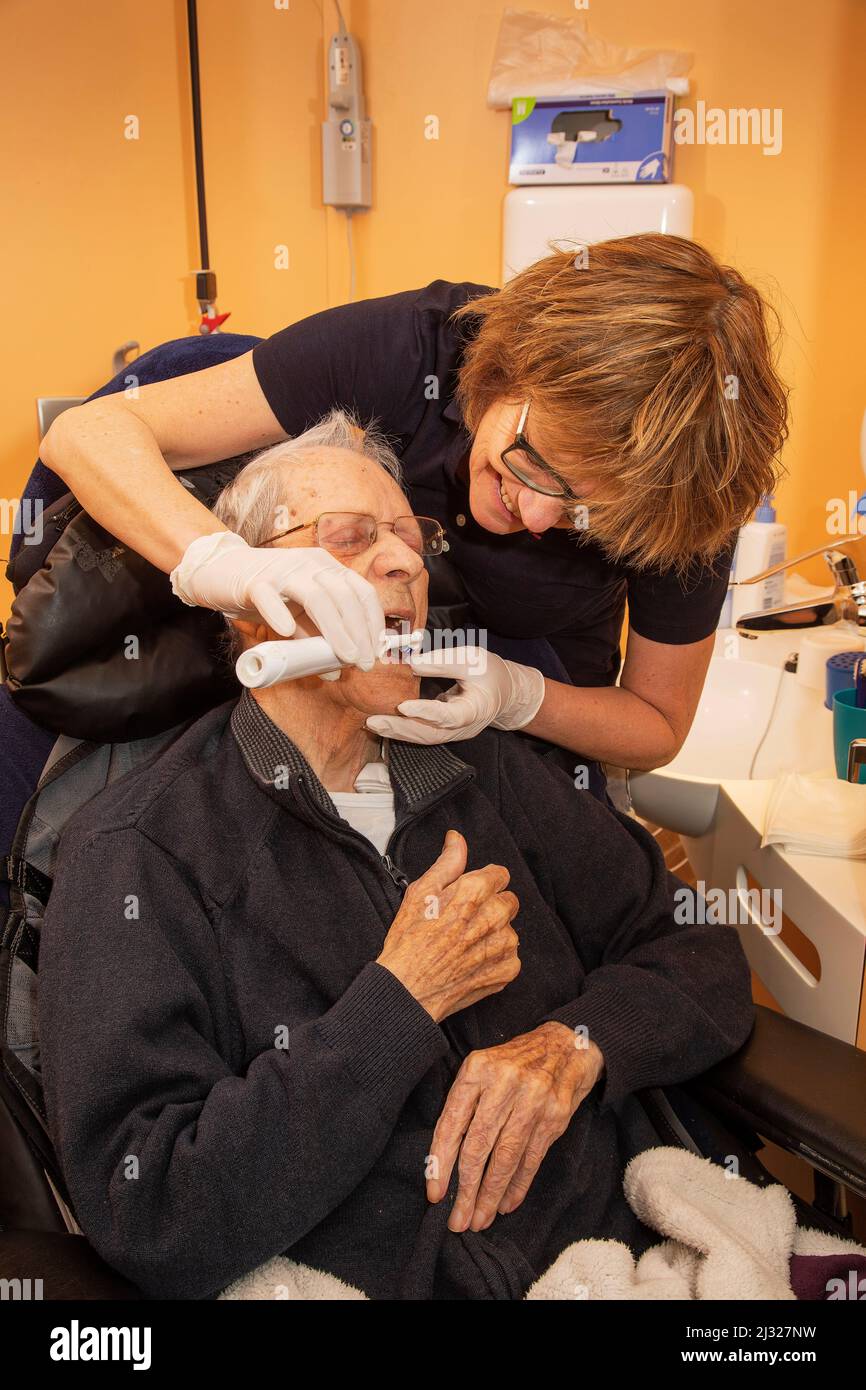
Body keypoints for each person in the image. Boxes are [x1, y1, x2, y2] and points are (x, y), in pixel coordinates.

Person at [39, 412, 755, 1301]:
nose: (406, 563)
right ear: (251, 604)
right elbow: (154, 1210)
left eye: (412, 540)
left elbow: (701, 958)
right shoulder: (137, 854)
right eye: (350, 539)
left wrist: (578, 1044)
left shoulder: (484, 767)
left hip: (624, 1270)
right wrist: (399, 1004)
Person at [39, 235, 788, 795]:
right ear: (511, 365)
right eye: (531, 462)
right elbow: (89, 432)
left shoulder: (682, 496)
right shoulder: (402, 353)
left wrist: (520, 695)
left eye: (585, 515)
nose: (533, 516)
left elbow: (655, 726)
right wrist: (217, 559)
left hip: (541, 728)